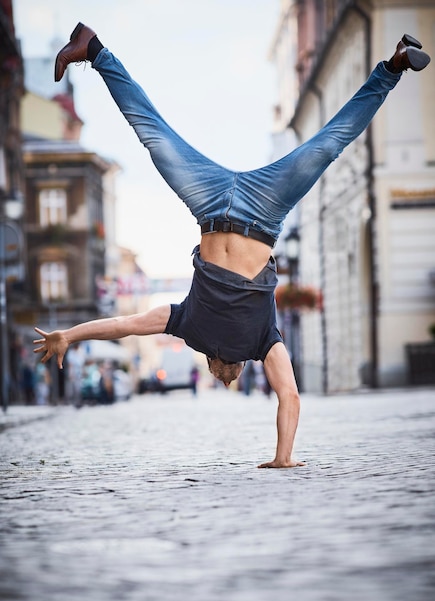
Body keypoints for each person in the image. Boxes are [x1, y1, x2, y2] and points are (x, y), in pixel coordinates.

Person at [34, 24, 430, 468]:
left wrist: (69, 333)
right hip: (265, 209)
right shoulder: (263, 341)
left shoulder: (187, 326)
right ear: (236, 369)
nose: (225, 379)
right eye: (230, 378)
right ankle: (393, 67)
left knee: (154, 135)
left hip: (209, 203)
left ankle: (94, 49)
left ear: (211, 366)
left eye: (221, 377)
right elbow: (290, 396)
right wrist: (283, 458)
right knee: (328, 144)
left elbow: (125, 324)